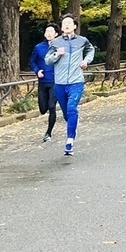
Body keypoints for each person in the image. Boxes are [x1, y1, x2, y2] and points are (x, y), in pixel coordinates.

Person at [45, 15, 95, 156]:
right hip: (60, 84)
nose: (66, 25)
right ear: (61, 27)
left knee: (72, 108)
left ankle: (69, 141)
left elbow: (90, 50)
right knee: (68, 113)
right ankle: (73, 122)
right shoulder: (55, 42)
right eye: (64, 23)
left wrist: (86, 61)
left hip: (76, 82)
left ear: (74, 26)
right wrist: (56, 55)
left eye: (69, 23)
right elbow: (47, 61)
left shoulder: (82, 41)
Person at [29, 23, 59, 142]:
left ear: (56, 34)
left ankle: (48, 133)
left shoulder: (60, 47)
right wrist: (37, 71)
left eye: (51, 31)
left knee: (52, 107)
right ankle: (46, 111)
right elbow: (32, 62)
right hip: (43, 81)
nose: (49, 33)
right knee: (43, 109)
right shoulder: (38, 47)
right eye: (47, 31)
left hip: (55, 82)